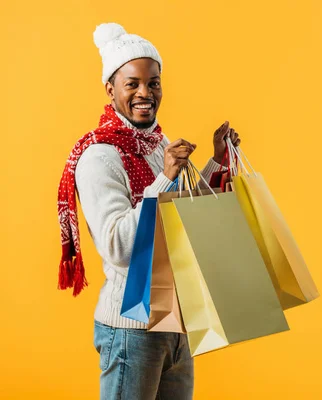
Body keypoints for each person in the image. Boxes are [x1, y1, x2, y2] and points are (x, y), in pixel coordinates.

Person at [56, 23, 241, 399]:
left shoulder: (157, 143)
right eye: (132, 84)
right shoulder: (99, 157)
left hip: (174, 319)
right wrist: (165, 178)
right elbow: (119, 247)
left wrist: (215, 164)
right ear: (110, 89)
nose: (145, 93)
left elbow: (180, 218)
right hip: (130, 328)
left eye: (153, 82)